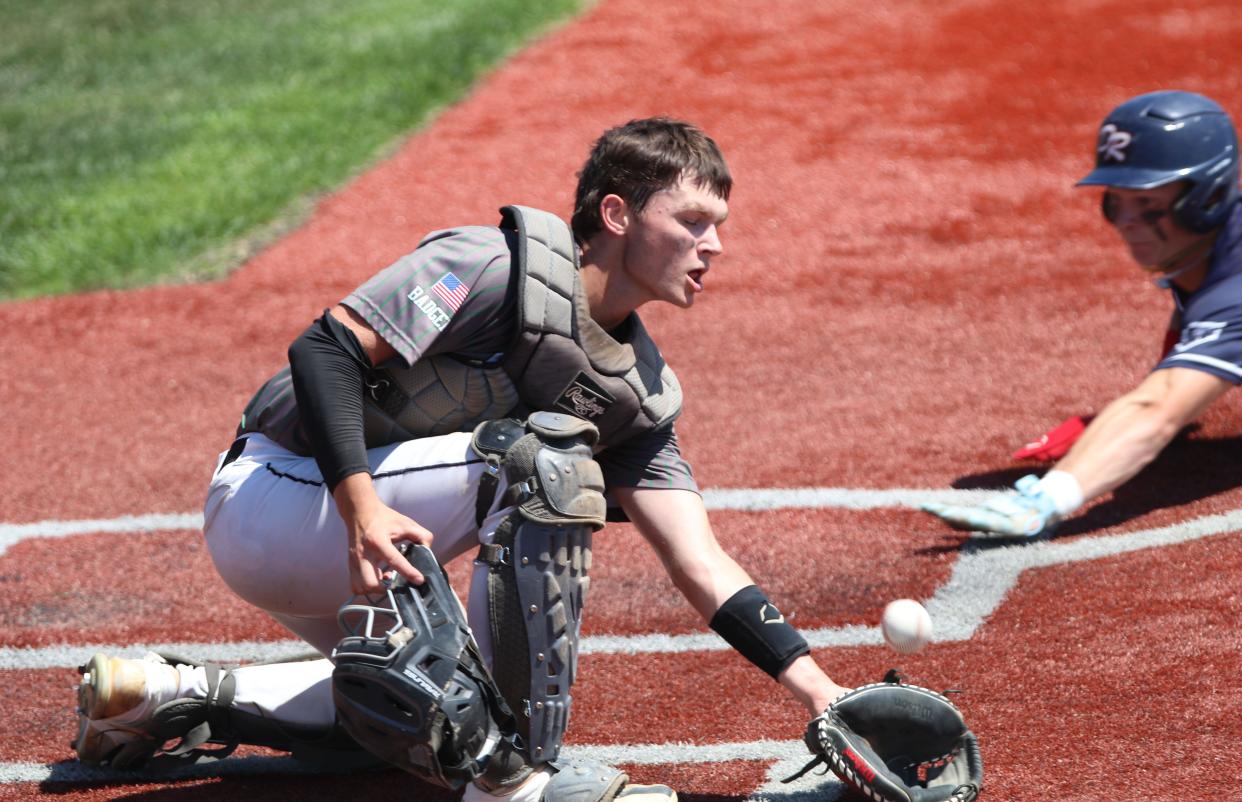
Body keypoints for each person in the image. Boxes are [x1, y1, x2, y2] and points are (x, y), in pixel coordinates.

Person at [71, 118, 852, 802]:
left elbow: (700, 561)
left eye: (718, 225)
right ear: (617, 213)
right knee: (543, 464)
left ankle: (173, 695)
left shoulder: (635, 394)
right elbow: (324, 348)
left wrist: (822, 692)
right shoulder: (492, 266)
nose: (715, 244)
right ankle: (514, 783)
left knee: (426, 715)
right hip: (276, 501)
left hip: (363, 554)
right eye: (692, 221)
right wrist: (361, 507)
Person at [923, 90, 1242, 539]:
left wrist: (1050, 497)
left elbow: (1159, 408)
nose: (1128, 220)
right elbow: (1191, 318)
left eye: (1148, 203)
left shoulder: (1234, 291)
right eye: (1118, 200)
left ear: (1204, 195)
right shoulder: (1207, 250)